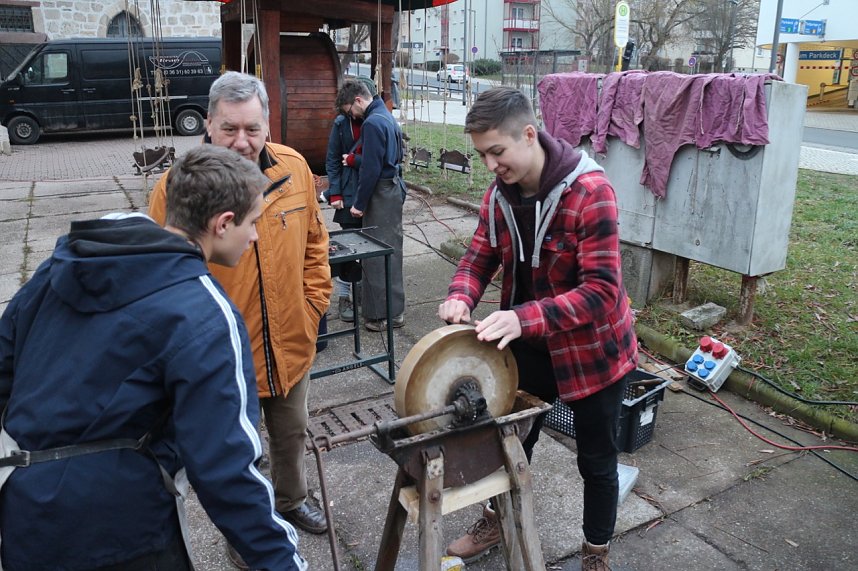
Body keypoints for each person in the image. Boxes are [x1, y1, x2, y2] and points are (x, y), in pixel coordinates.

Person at [0, 145, 307, 571]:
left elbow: (5, 364)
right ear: (222, 224)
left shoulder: (65, 263)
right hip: (122, 530)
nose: (255, 236)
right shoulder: (203, 313)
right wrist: (282, 561)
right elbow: (226, 468)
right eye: (252, 223)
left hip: (26, 511)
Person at [438, 86, 638, 571]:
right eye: (481, 155)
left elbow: (601, 292)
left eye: (497, 152)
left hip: (593, 350)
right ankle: (494, 521)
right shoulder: (499, 195)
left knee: (596, 460)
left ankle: (595, 553)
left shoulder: (590, 193)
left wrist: (522, 317)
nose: (490, 165)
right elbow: (478, 256)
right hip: (528, 343)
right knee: (508, 442)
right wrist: (461, 295)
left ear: (529, 135)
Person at [147, 72, 332, 562]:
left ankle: (291, 501)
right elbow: (160, 272)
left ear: (268, 123)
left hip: (291, 339)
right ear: (208, 124)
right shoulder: (175, 188)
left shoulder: (293, 168)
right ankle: (245, 529)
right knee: (236, 454)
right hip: (223, 355)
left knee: (291, 434)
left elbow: (316, 243)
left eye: (252, 128)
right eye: (229, 128)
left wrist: (313, 304)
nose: (242, 141)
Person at [335, 78, 406, 332]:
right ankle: (395, 311)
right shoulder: (386, 116)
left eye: (350, 111)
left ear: (357, 100)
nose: (352, 116)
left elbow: (371, 168)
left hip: (380, 193)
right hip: (392, 188)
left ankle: (380, 315)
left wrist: (359, 203)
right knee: (392, 251)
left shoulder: (372, 123)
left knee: (376, 255)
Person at [323, 79, 379, 323]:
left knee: (372, 244)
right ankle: (344, 295)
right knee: (347, 247)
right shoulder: (341, 124)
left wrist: (355, 160)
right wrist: (335, 193)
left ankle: (365, 292)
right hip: (348, 191)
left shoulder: (376, 119)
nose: (352, 115)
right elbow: (333, 159)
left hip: (372, 191)